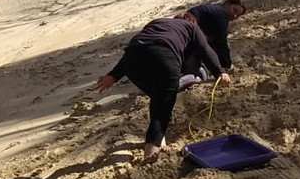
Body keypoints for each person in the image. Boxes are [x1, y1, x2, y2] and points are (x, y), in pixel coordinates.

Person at [96, 15, 229, 162]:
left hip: (131, 61)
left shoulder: (157, 22)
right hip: (163, 57)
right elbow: (205, 49)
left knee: (158, 98)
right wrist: (220, 72)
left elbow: (141, 46)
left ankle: (160, 139)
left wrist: (113, 76)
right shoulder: (191, 27)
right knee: (162, 107)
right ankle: (151, 153)